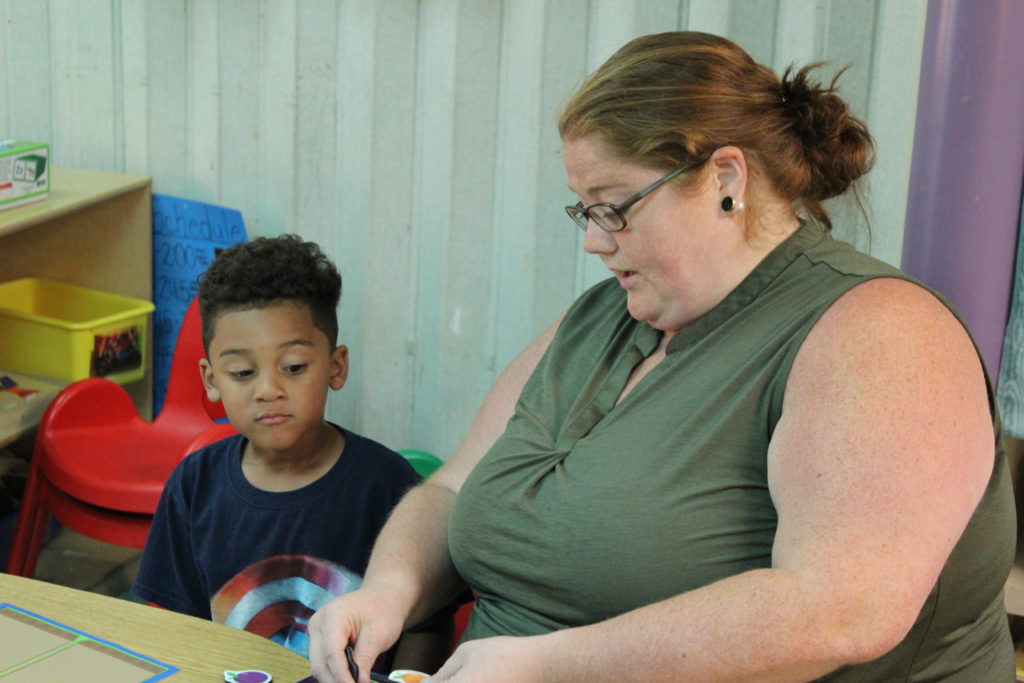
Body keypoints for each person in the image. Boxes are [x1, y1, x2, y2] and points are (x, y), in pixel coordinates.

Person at [307, 31, 1016, 682]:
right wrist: (387, 590)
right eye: (582, 209)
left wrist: (551, 664)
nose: (592, 239)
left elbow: (839, 610)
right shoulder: (601, 320)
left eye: (612, 206)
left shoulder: (881, 333)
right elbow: (451, 490)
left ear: (726, 180)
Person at [133, 234, 453, 673]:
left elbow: (428, 626)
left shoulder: (388, 488)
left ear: (335, 366)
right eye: (243, 372)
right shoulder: (194, 486)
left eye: (295, 367)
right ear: (211, 379)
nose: (268, 390)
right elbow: (180, 627)